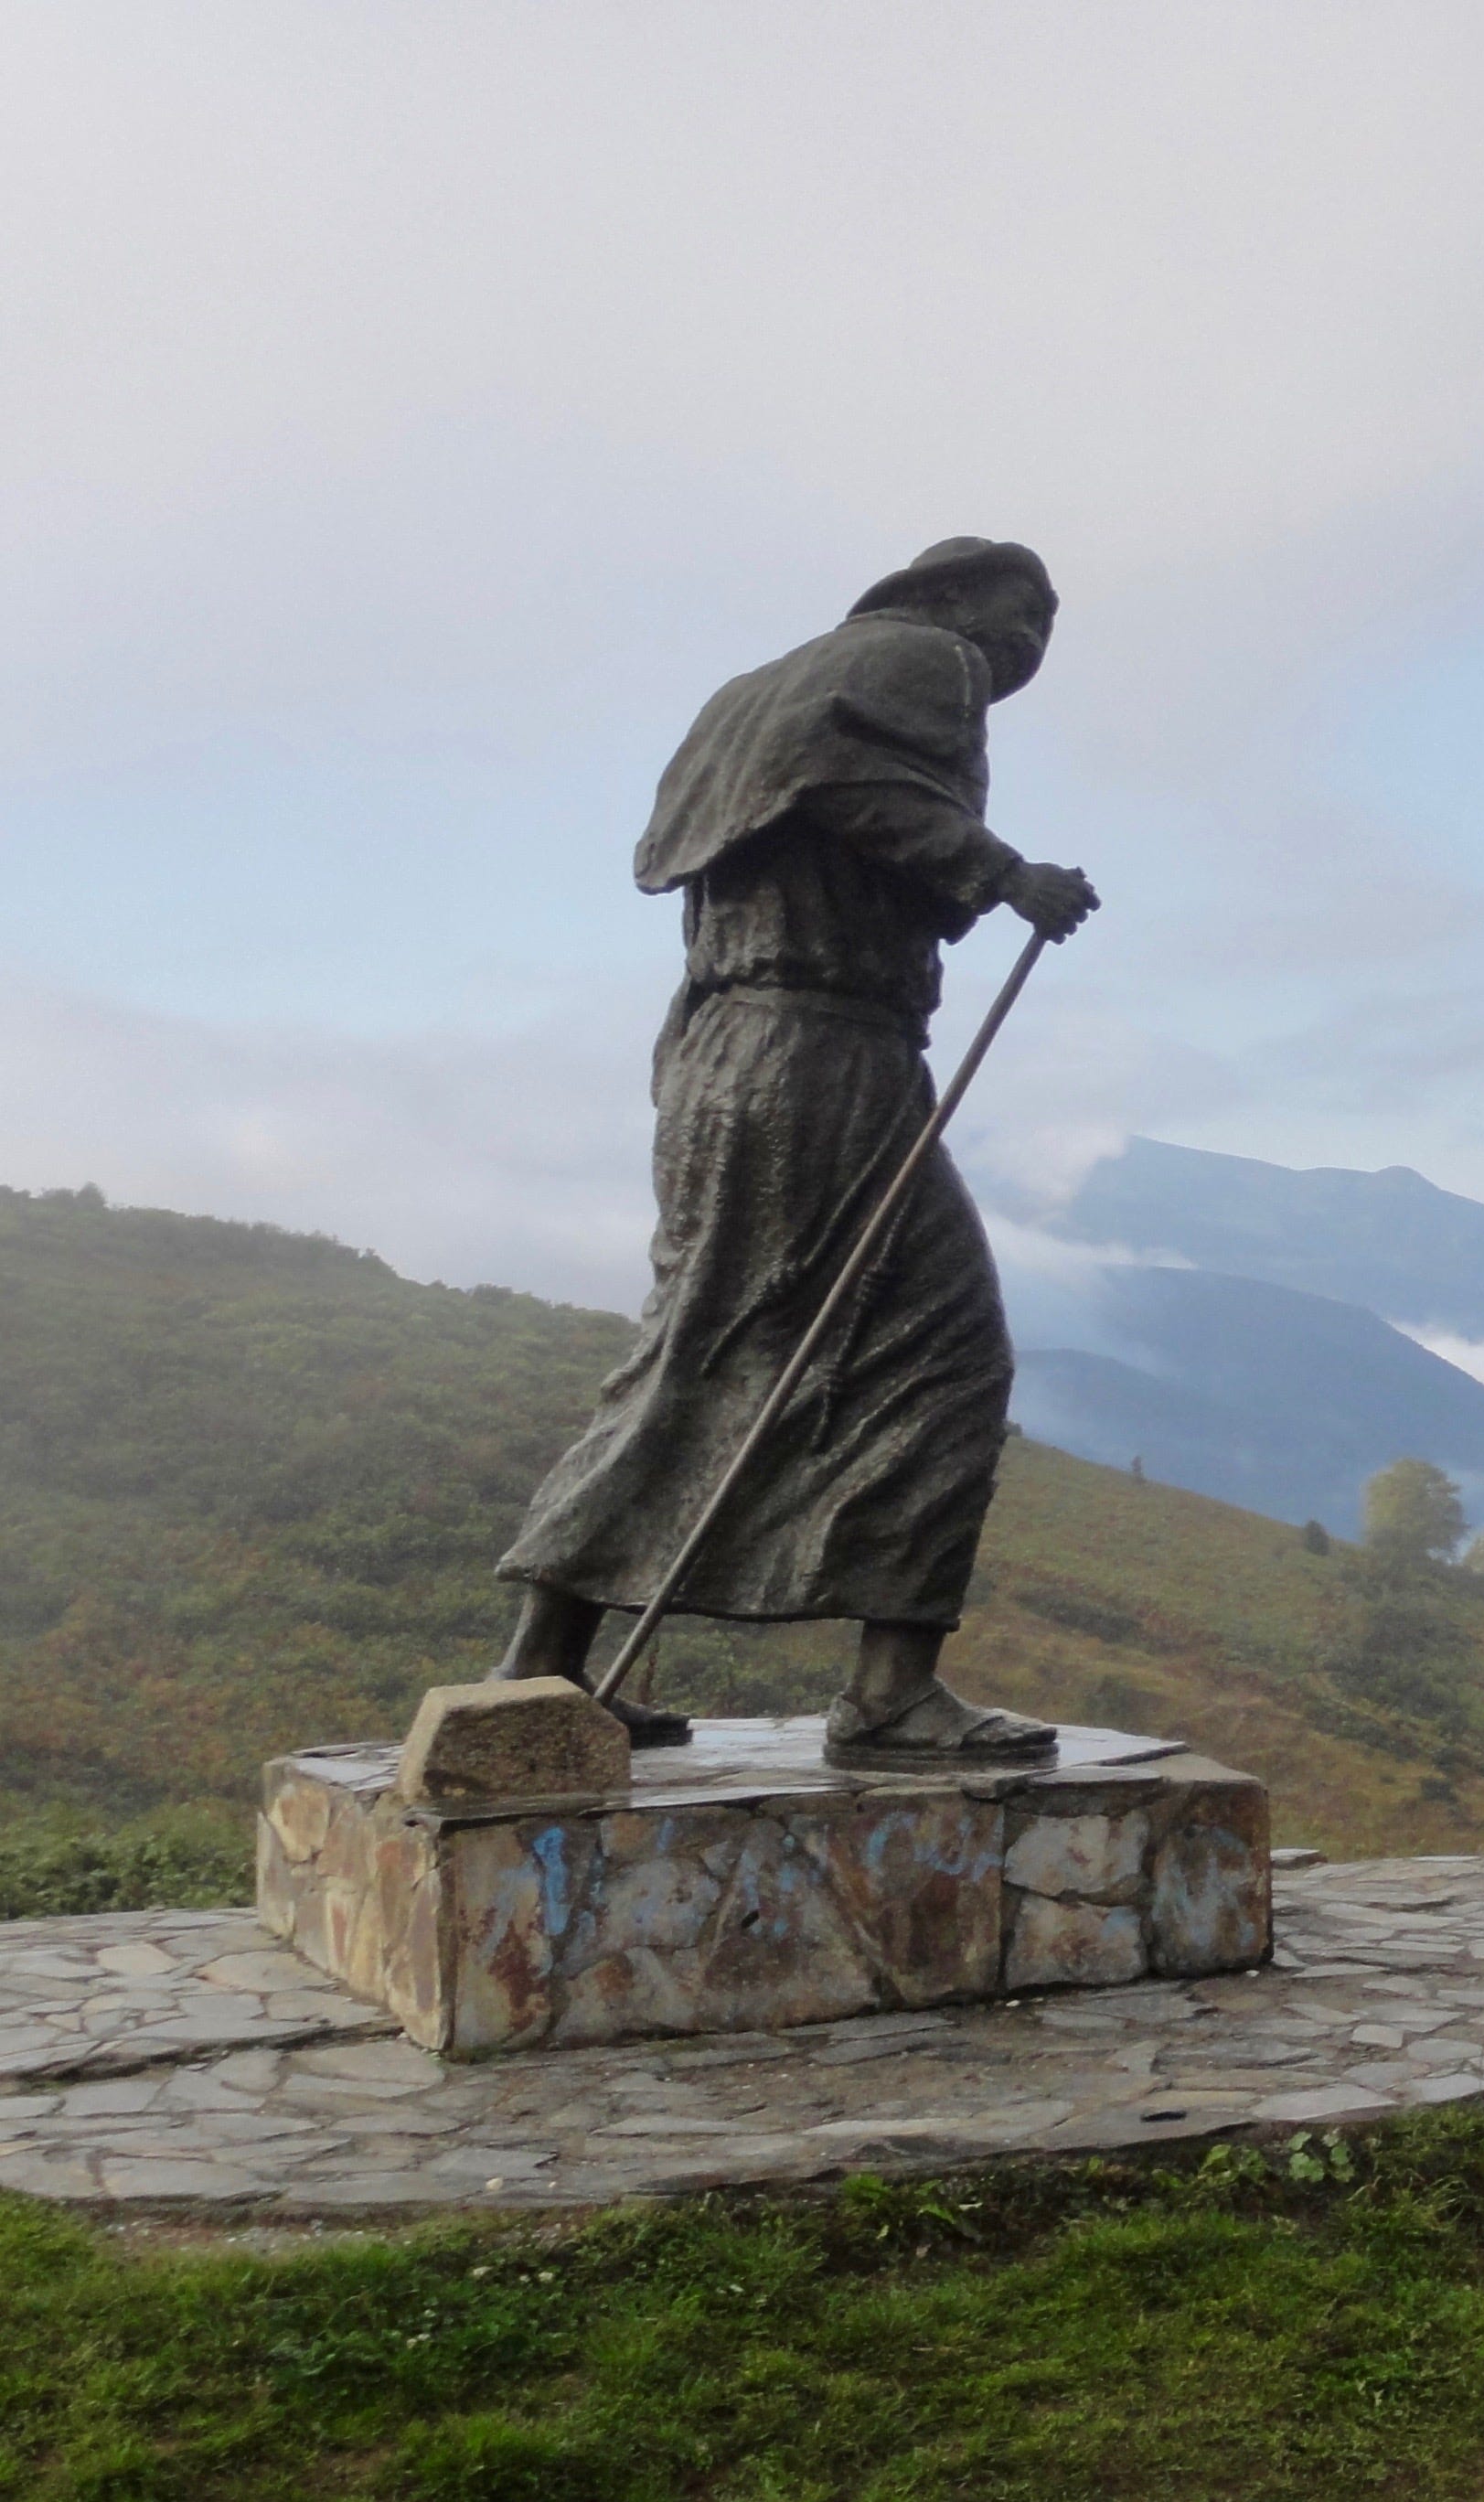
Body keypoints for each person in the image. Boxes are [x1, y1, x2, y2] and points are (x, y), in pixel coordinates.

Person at [489, 538, 1096, 1768]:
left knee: (701, 1343)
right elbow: (840, 783)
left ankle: (540, 1666)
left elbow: (801, 807)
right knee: (948, 1350)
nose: (1032, 641)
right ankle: (889, 1697)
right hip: (824, 1047)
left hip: (717, 1052)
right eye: (1023, 609)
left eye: (1049, 624)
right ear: (948, 597)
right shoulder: (924, 658)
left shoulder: (751, 693)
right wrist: (1002, 871)